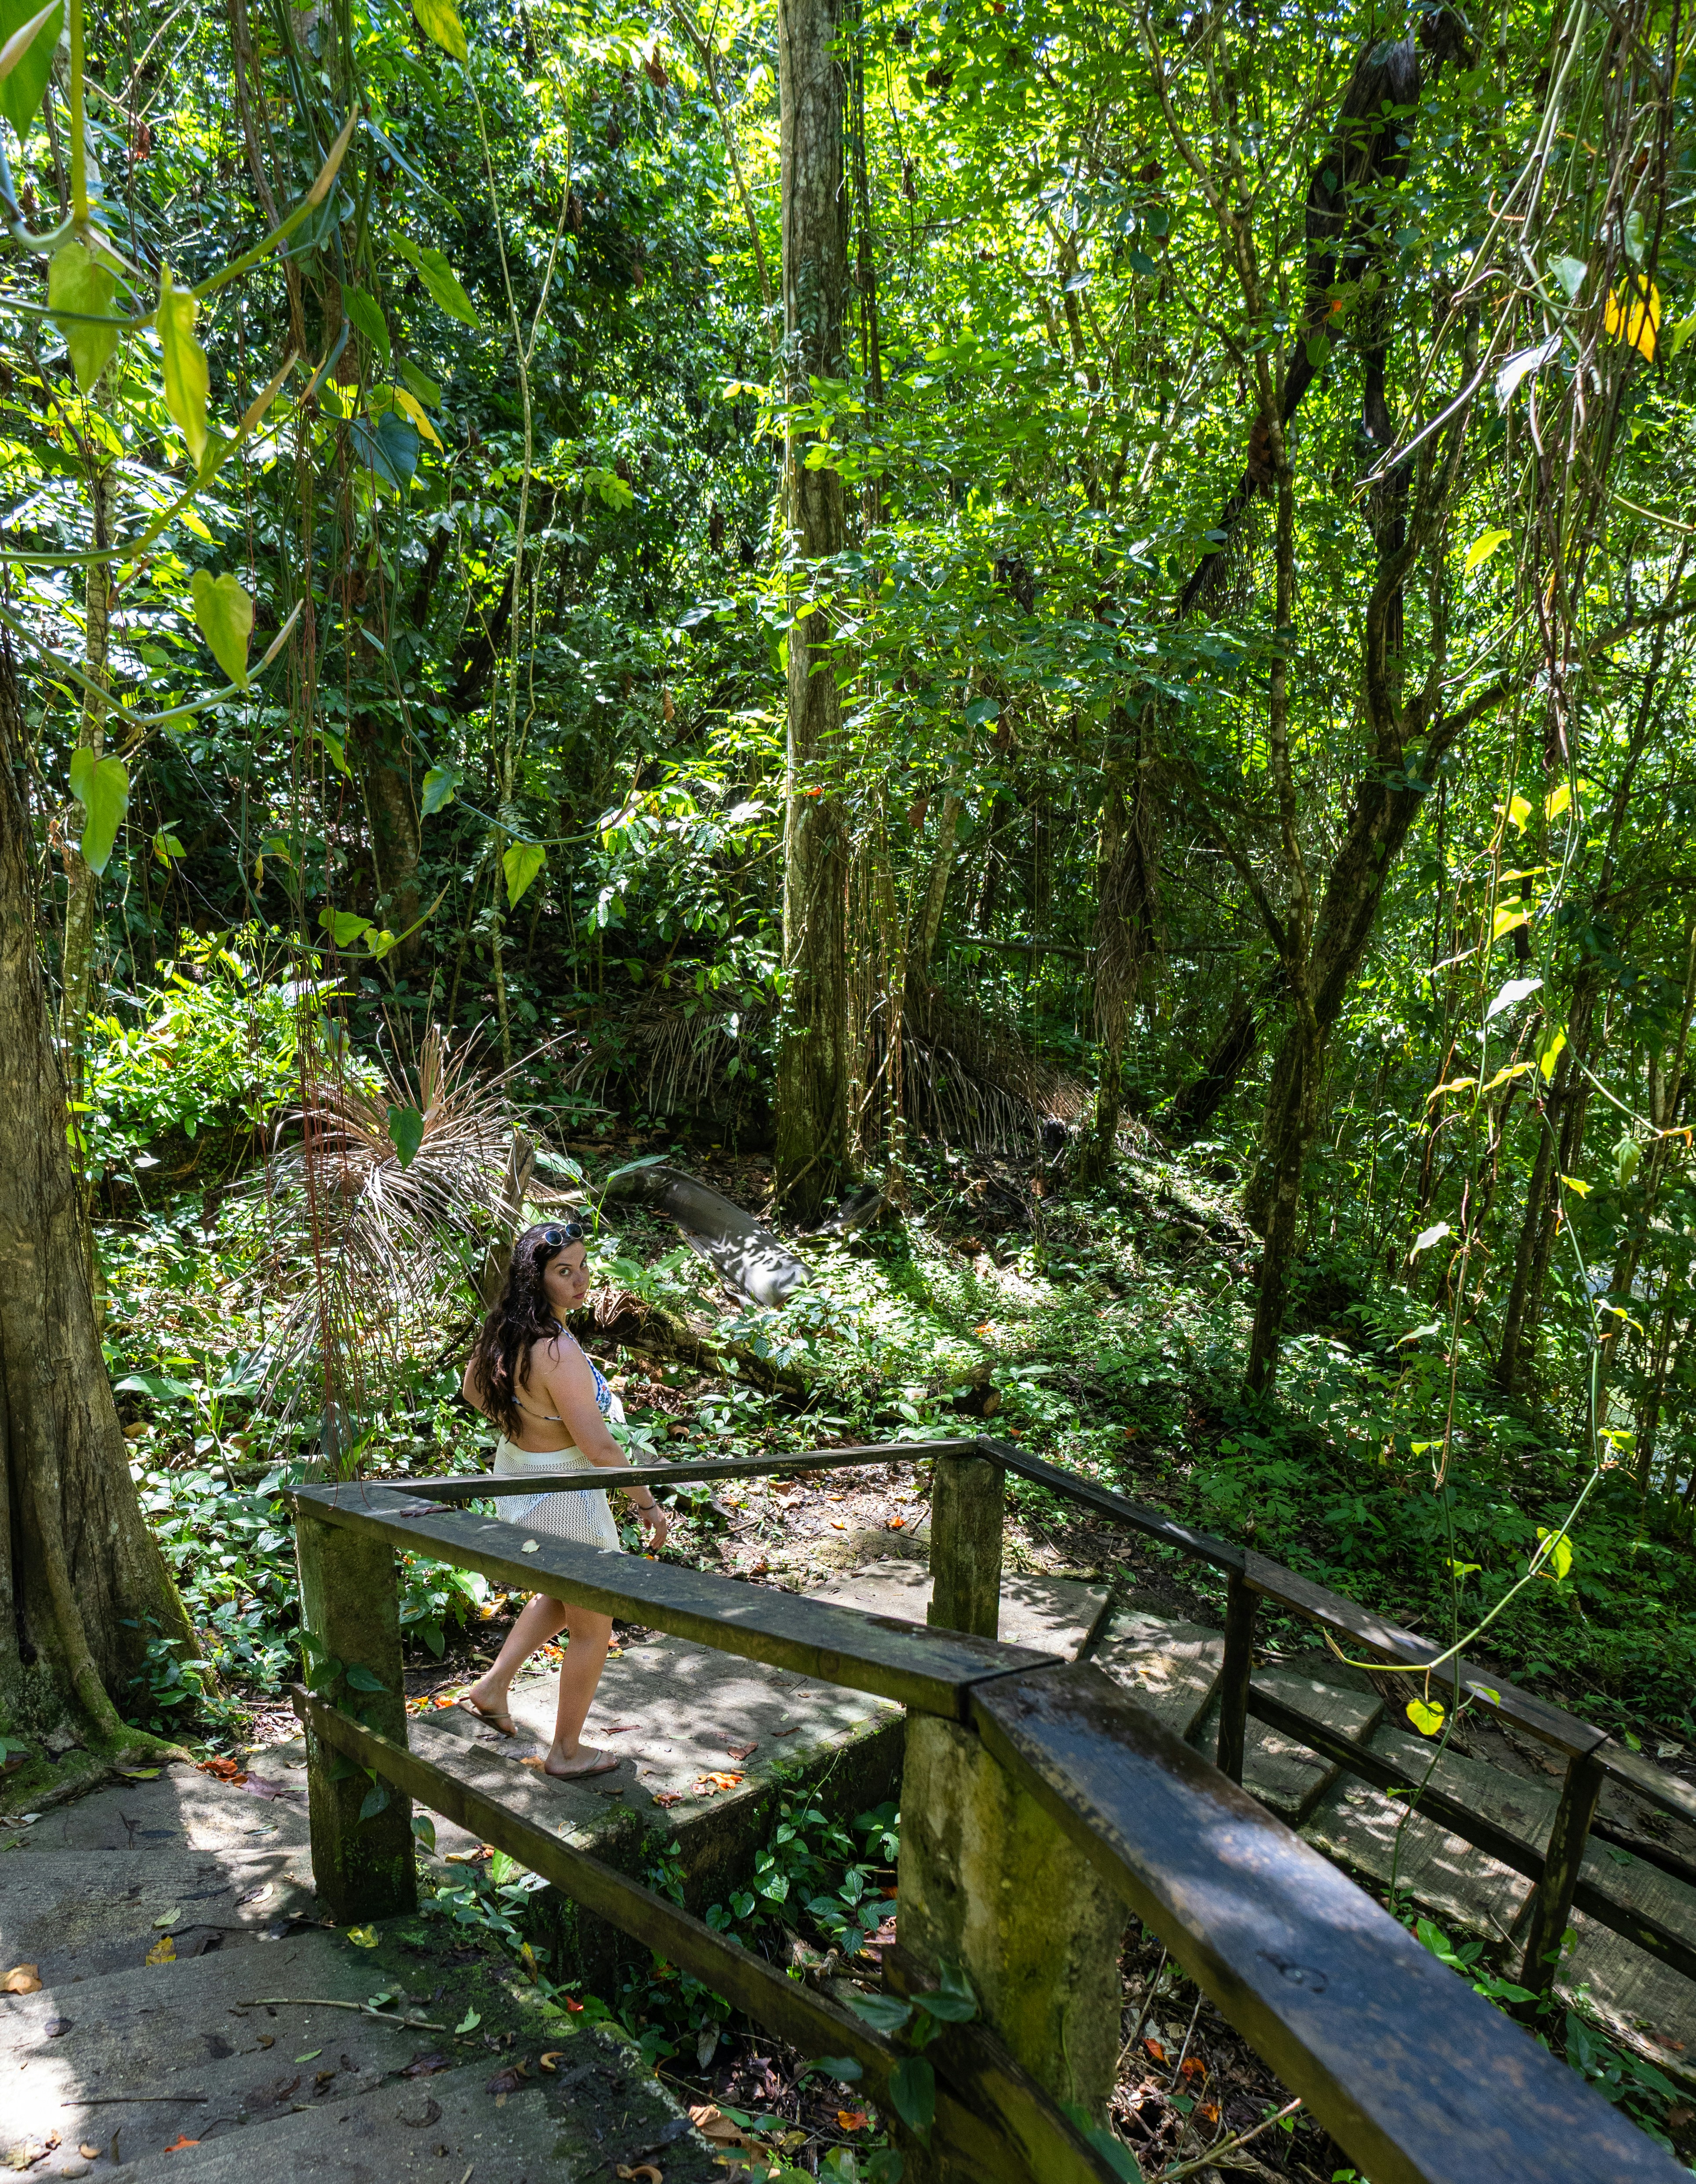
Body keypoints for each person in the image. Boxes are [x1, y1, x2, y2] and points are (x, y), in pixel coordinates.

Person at [459, 1220, 669, 1779]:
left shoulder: (508, 1330)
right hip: (562, 1493)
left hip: (521, 1478)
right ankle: (567, 1752)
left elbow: (472, 1388)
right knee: (594, 1625)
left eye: (582, 1265)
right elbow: (599, 1447)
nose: (580, 1280)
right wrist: (647, 1506)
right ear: (537, 1278)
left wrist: (527, 1429)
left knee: (563, 1593)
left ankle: (492, 1687)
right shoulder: (554, 1348)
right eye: (563, 1271)